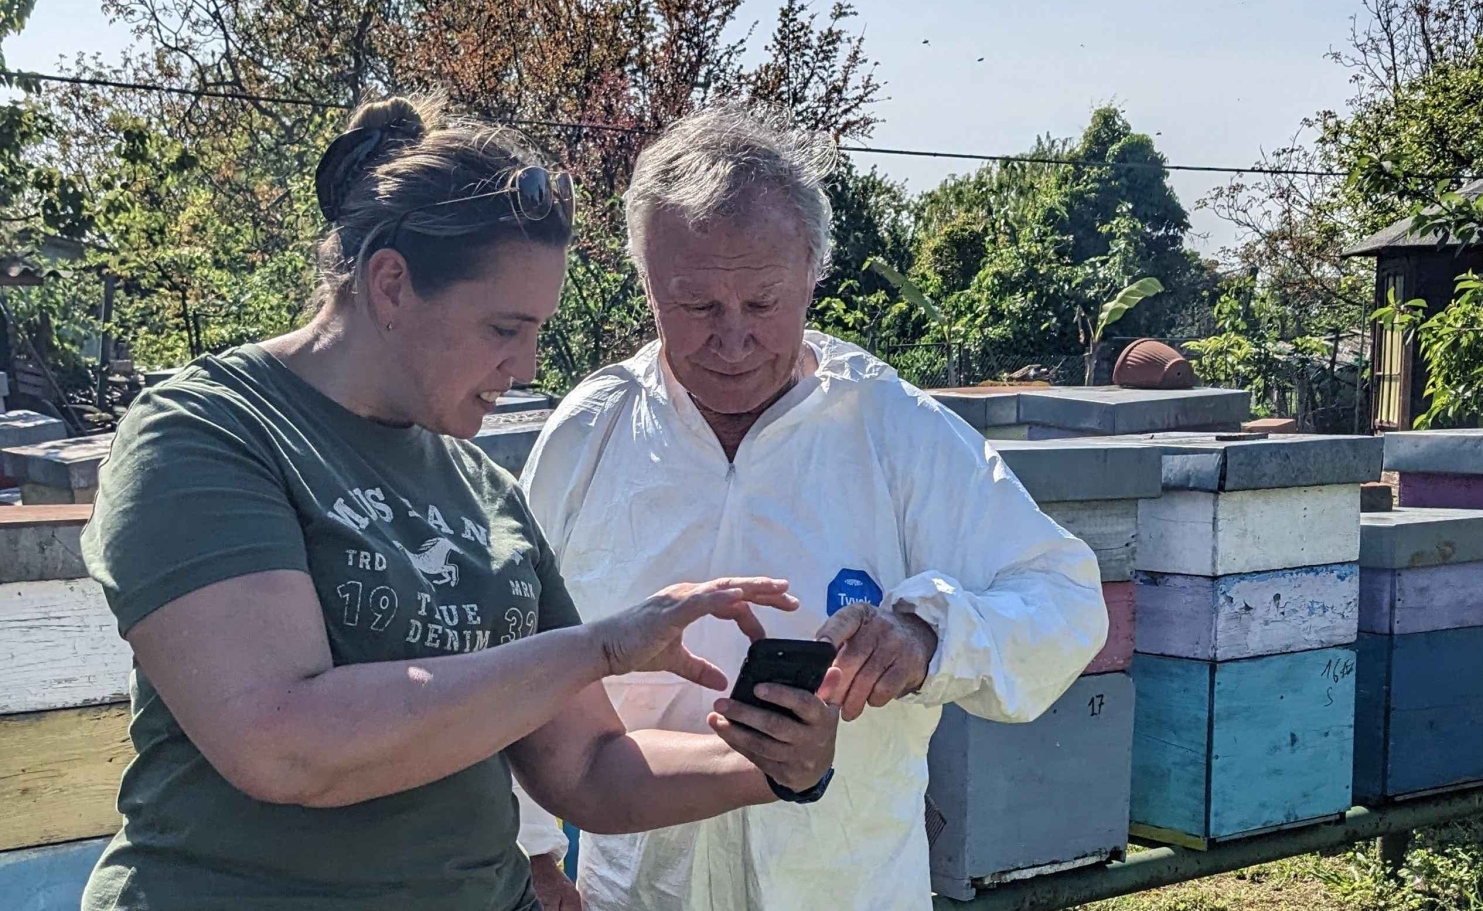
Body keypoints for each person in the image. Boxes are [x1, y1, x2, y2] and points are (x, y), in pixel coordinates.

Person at [79, 94, 843, 911]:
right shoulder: (211, 431)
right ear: (391, 285)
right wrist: (600, 648)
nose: (527, 364)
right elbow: (282, 742)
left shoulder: (485, 492)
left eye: (537, 330)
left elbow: (586, 767)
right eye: (504, 328)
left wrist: (774, 764)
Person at [514, 104, 1111, 911]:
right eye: (695, 306)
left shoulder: (893, 428)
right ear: (647, 281)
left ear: (811, 274)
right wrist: (533, 855)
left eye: (762, 303)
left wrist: (931, 636)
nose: (732, 339)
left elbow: (1067, 599)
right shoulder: (592, 431)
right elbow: (512, 648)